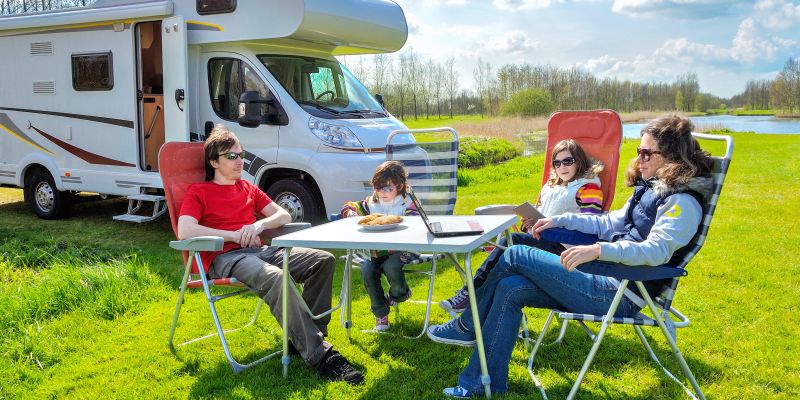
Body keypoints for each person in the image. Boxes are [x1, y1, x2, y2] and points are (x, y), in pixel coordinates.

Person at [428, 114, 714, 397]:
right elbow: (609, 222)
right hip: (601, 275)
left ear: (672, 156)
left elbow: (656, 251)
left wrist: (599, 249)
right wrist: (561, 221)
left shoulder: (683, 202)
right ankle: (479, 384)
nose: (640, 159)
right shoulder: (650, 188)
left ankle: (467, 325)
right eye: (639, 151)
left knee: (515, 253)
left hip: (620, 293)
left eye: (646, 153)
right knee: (508, 288)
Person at [177, 125, 364, 385]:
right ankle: (322, 356)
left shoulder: (247, 188)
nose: (239, 161)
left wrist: (258, 225)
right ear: (214, 162)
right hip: (227, 258)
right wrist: (233, 235)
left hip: (261, 249)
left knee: (322, 260)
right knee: (276, 278)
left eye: (241, 155)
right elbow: (185, 229)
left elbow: (283, 214)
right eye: (231, 156)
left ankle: (308, 338)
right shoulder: (199, 191)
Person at [439, 139, 605, 315]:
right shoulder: (550, 187)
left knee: (512, 241)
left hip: (565, 250)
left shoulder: (588, 188)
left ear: (578, 161)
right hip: (543, 241)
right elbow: (540, 217)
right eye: (557, 163)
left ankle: (469, 292)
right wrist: (530, 223)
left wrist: (549, 226)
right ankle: (475, 307)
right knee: (505, 260)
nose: (562, 167)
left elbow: (590, 226)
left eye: (568, 161)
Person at [340, 161, 419, 332]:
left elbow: (416, 223)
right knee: (367, 270)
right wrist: (350, 213)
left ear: (399, 186)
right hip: (377, 251)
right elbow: (350, 205)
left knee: (391, 266)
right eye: (378, 188)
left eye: (388, 188)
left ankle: (398, 294)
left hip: (403, 249)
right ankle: (381, 314)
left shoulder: (407, 202)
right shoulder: (371, 203)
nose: (382, 193)